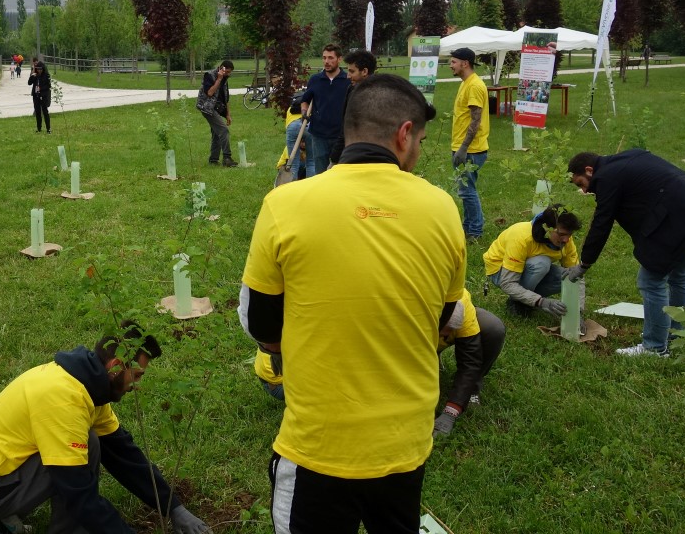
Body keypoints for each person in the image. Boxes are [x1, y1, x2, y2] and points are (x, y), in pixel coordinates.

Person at [240, 74, 465, 533]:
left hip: (319, 443)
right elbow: (442, 317)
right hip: (406, 443)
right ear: (404, 135)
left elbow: (262, 327)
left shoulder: (285, 203)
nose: (418, 151)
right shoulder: (443, 208)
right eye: (420, 141)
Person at [0, 322, 211, 534]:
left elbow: (123, 454)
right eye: (138, 375)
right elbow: (79, 493)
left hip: (5, 475)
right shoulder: (63, 399)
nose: (137, 384)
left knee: (92, 442)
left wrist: (173, 508)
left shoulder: (88, 386)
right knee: (81, 451)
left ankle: (4, 522)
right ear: (116, 367)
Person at [567, 150, 685, 356]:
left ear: (589, 170)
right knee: (679, 275)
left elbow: (602, 222)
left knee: (651, 281)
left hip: (681, 220)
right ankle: (678, 337)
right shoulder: (626, 159)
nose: (585, 190)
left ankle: (654, 347)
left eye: (581, 183)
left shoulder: (606, 176)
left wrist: (585, 263)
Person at [484, 205, 582, 319]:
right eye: (561, 234)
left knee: (566, 278)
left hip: (530, 267)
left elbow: (577, 276)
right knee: (541, 264)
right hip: (501, 271)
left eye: (569, 235)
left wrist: (578, 312)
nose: (566, 239)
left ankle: (526, 297)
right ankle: (518, 302)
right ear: (547, 228)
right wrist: (541, 302)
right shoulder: (521, 237)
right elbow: (507, 283)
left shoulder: (566, 240)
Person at [433, 288, 506, 438]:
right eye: (443, 332)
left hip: (445, 321)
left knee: (493, 328)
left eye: (450, 331)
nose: (445, 336)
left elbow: (470, 362)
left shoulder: (464, 312)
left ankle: (472, 389)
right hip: (417, 329)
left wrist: (451, 412)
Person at [449, 47, 490, 239]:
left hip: (470, 150)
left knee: (467, 192)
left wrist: (463, 148)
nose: (451, 66)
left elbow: (476, 120)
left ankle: (475, 231)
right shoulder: (466, 83)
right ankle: (467, 227)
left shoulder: (474, 86)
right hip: (462, 147)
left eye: (453, 62)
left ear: (465, 63)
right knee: (465, 190)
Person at [299, 44, 351, 176]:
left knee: (340, 174)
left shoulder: (347, 81)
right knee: (320, 174)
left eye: (330, 58)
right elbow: (305, 100)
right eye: (324, 58)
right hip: (319, 135)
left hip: (340, 136)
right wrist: (304, 112)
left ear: (339, 59)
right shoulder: (315, 80)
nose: (326, 62)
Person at [328, 49, 378, 163]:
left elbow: (348, 127)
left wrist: (334, 157)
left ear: (364, 71)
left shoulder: (377, 94)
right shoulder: (352, 89)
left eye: (352, 71)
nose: (348, 76)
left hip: (363, 155)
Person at [197, 60, 235, 167]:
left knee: (216, 133)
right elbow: (209, 93)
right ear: (221, 68)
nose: (228, 74)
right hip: (206, 107)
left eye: (229, 72)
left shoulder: (225, 79)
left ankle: (213, 160)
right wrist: (219, 79)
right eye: (227, 71)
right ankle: (227, 158)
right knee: (223, 130)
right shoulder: (209, 75)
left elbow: (226, 97)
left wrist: (228, 114)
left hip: (216, 108)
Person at [28, 60, 52, 133]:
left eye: (41, 69)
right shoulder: (35, 75)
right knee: (38, 112)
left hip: (43, 96)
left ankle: (48, 129)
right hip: (36, 96)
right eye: (38, 69)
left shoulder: (46, 76)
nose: (39, 70)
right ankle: (39, 128)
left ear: (43, 69)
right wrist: (32, 76)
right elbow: (29, 83)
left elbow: (48, 86)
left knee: (45, 112)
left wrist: (41, 89)